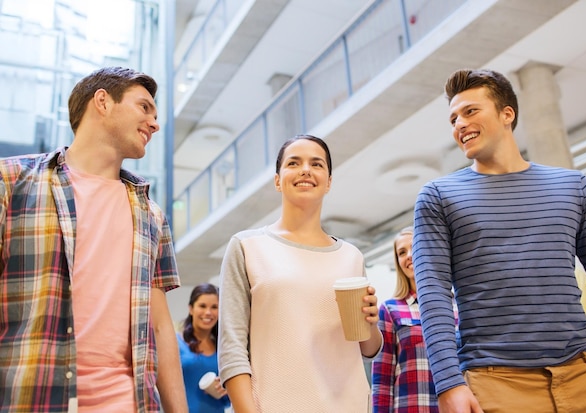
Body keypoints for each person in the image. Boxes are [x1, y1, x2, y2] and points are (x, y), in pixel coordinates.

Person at [413, 68, 586, 413]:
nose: (459, 125)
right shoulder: (439, 196)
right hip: (495, 383)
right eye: (453, 118)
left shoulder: (573, 186)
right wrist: (448, 382)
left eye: (470, 111)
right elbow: (433, 295)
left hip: (583, 380)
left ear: (506, 114)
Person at [0, 67, 187, 412]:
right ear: (102, 101)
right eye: (144, 107)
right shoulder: (11, 182)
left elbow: (161, 329)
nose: (154, 123)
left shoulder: (152, 215)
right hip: (33, 398)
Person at [218, 134, 383, 412]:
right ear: (277, 179)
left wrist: (370, 322)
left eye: (316, 164)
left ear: (329, 182)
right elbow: (232, 350)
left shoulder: (351, 256)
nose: (306, 170)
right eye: (294, 163)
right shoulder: (247, 246)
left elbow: (367, 349)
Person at [372, 226, 438, 412]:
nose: (408, 255)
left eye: (414, 246)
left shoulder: (455, 307)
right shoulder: (390, 310)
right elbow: (382, 380)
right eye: (401, 252)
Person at [178, 283, 230, 412]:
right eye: (202, 306)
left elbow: (228, 400)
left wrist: (226, 390)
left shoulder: (223, 348)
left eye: (214, 307)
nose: (208, 312)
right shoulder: (176, 343)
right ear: (191, 309)